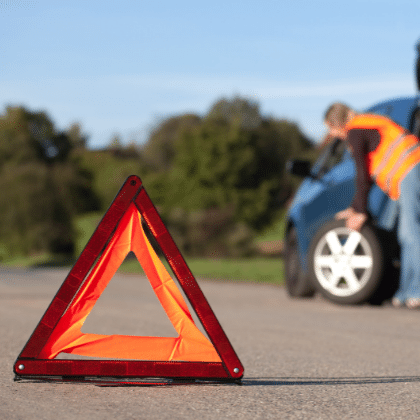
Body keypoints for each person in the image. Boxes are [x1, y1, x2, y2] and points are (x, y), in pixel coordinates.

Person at [324, 102, 420, 309]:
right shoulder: (366, 124)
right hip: (408, 170)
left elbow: (362, 173)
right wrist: (356, 207)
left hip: (410, 167)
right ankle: (404, 293)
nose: (332, 134)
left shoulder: (355, 130)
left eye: (330, 129)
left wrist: (359, 210)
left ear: (336, 124)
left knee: (410, 234)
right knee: (397, 232)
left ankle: (415, 292)